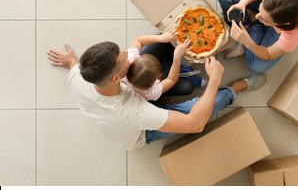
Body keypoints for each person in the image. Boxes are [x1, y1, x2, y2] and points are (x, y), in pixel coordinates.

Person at [47, 41, 241, 150]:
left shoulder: (79, 76)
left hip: (133, 102)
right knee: (202, 107)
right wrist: (215, 79)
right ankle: (233, 90)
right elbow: (195, 124)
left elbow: (75, 67)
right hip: (141, 130)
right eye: (124, 57)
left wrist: (71, 61)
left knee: (161, 41)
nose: (127, 52)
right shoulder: (134, 111)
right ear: (116, 79)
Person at [216, 0, 298, 92]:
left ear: (284, 24)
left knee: (256, 67)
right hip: (275, 8)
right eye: (260, 10)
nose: (258, 16)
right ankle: (246, 21)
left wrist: (248, 43)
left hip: (281, 29)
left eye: (265, 20)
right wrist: (243, 3)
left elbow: (268, 54)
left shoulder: (294, 32)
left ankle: (253, 25)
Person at [123, 32, 201, 101]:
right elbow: (171, 80)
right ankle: (177, 68)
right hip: (150, 91)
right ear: (157, 77)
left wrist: (161, 38)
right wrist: (177, 57)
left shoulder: (130, 58)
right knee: (188, 87)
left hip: (144, 79)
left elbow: (138, 40)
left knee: (164, 40)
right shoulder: (150, 92)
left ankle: (177, 67)